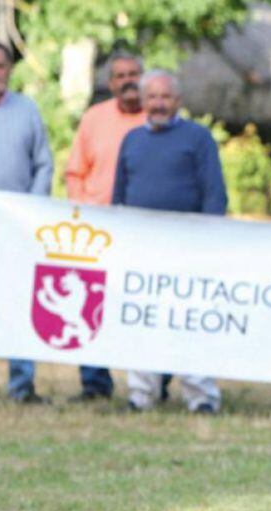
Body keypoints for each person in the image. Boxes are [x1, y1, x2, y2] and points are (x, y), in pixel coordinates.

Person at [112, 70, 227, 414]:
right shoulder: (131, 139)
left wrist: (209, 239)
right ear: (143, 101)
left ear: (177, 100)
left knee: (190, 319)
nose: (158, 104)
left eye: (165, 97)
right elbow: (119, 194)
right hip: (141, 247)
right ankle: (141, 393)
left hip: (188, 247)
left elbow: (214, 193)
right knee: (142, 317)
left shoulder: (198, 137)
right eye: (152, 97)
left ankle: (200, 394)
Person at [64, 50, 146, 402]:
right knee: (91, 305)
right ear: (110, 83)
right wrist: (85, 212)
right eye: (120, 75)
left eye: (133, 74)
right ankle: (95, 382)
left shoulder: (156, 115)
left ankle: (148, 383)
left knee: (139, 304)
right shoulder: (94, 118)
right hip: (97, 232)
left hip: (142, 230)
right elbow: (74, 172)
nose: (128, 81)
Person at [0, 40, 53, 404]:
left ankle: (22, 384)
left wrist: (33, 208)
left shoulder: (28, 110)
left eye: (0, 66)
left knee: (21, 302)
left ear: (10, 69)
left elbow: (43, 162)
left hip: (20, 227)